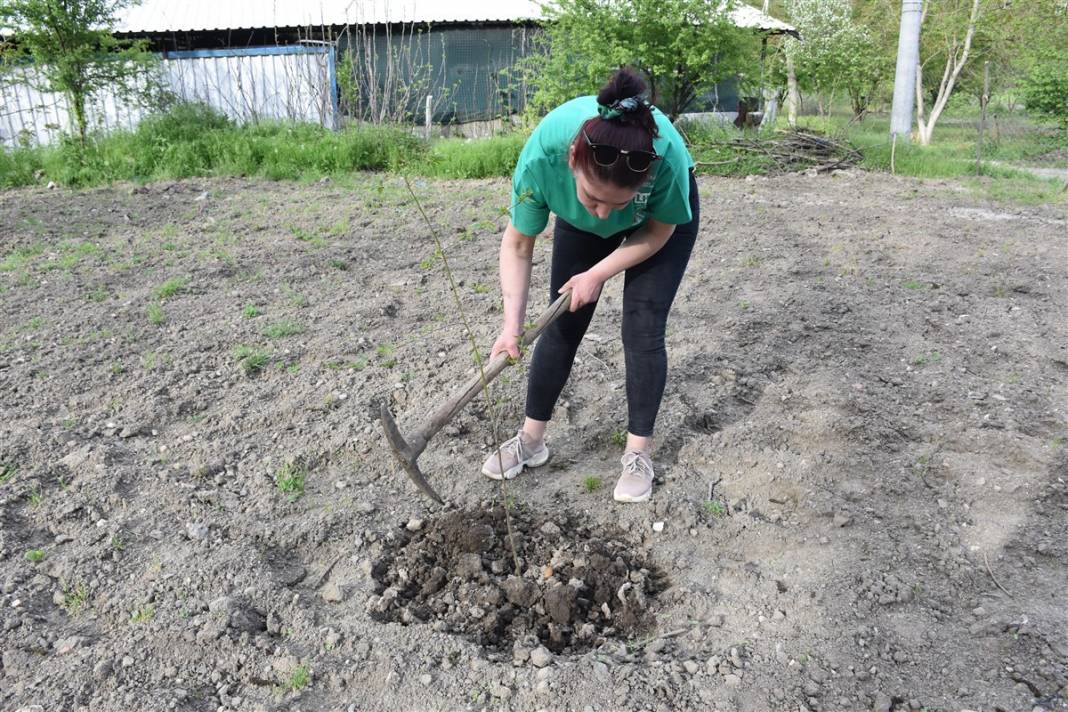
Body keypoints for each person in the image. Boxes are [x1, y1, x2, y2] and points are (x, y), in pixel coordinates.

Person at [481, 67, 700, 503]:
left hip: (655, 227)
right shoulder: (544, 155)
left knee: (642, 326)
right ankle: (531, 440)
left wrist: (599, 273)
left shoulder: (667, 160)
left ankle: (638, 454)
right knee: (562, 324)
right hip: (573, 225)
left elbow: (658, 233)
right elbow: (519, 244)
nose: (603, 214)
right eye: (593, 198)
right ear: (573, 158)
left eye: (614, 204)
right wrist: (511, 327)